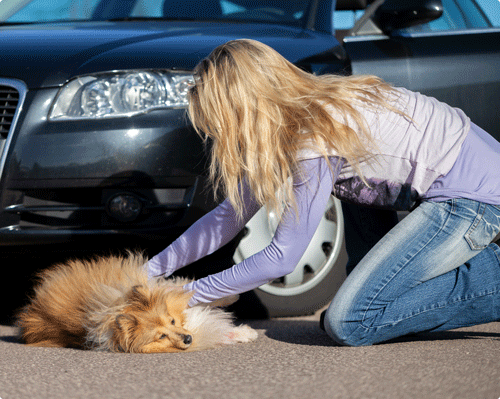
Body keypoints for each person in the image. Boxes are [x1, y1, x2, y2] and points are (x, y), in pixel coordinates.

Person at [146, 39, 500, 346]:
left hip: (471, 199)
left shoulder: (312, 136)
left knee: (351, 321)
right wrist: (150, 272)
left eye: (222, 121)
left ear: (247, 108)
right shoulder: (303, 114)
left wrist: (188, 296)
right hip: (459, 186)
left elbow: (283, 256)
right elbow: (228, 216)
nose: (221, 134)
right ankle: (378, 296)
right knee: (367, 302)